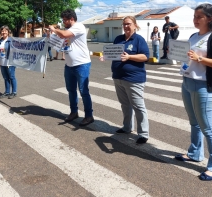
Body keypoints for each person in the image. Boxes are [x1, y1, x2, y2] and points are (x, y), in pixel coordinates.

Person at [175, 3, 212, 181]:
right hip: (187, 81)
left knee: (207, 127)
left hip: (204, 86)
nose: (195, 20)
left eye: (199, 16)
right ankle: (194, 153)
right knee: (194, 123)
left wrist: (200, 58)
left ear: (210, 18)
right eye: (194, 16)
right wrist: (176, 54)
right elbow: (187, 56)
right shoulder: (194, 36)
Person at [101, 16, 150, 144]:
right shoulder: (118, 39)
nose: (126, 26)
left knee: (138, 106)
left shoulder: (139, 40)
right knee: (125, 105)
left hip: (134, 78)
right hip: (118, 77)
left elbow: (145, 56)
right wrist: (105, 56)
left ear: (134, 25)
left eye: (128, 24)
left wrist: (129, 57)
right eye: (124, 24)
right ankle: (127, 127)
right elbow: (113, 53)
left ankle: (143, 134)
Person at [49, 9, 94, 126]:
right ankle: (74, 112)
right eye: (63, 20)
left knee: (84, 91)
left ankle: (89, 116)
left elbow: (63, 34)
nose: (63, 22)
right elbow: (59, 40)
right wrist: (51, 35)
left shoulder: (79, 27)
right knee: (71, 91)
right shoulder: (68, 30)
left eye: (65, 20)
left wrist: (54, 30)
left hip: (81, 65)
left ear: (72, 19)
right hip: (69, 66)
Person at [0, 26, 17, 99]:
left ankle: (14, 92)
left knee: (12, 77)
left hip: (10, 63)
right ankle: (7, 92)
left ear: (8, 32)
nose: (4, 32)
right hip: (2, 63)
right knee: (6, 78)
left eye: (5, 31)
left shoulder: (11, 41)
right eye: (2, 31)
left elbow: (16, 50)